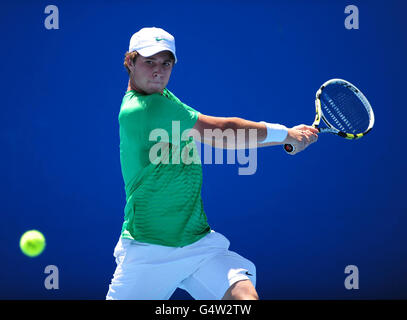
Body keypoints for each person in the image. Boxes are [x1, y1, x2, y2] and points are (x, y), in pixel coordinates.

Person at [106, 27, 318, 300]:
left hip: (198, 243)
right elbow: (223, 131)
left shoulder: (163, 98)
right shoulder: (145, 108)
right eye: (149, 62)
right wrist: (284, 134)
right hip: (149, 248)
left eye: (166, 63)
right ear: (130, 62)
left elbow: (224, 139)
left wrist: (286, 138)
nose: (159, 70)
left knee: (244, 297)